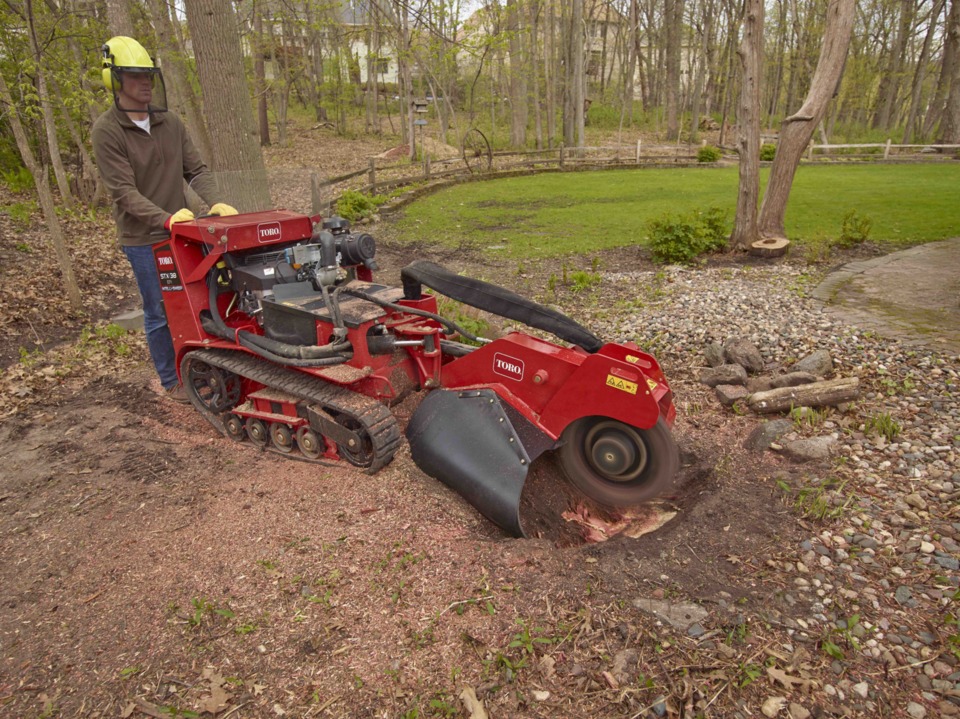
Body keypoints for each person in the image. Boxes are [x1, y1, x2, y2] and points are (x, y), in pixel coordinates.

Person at [92, 36, 237, 402]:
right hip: (143, 238)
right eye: (135, 75)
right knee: (159, 307)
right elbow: (123, 192)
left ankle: (207, 364)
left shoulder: (170, 122)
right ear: (115, 80)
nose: (145, 83)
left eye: (149, 75)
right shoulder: (107, 131)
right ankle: (171, 380)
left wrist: (218, 201)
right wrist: (165, 218)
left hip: (183, 230)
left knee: (206, 298)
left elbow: (197, 170)